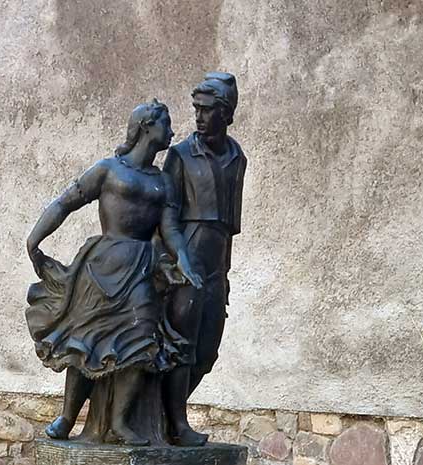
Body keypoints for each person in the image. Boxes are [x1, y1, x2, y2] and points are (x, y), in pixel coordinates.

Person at [25, 99, 202, 445]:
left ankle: (120, 422)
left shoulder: (164, 182)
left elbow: (170, 230)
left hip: (140, 267)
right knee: (83, 339)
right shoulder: (108, 169)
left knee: (142, 338)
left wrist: (184, 259)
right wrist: (35, 238)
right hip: (102, 263)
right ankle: (66, 418)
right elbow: (65, 202)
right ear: (147, 127)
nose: (171, 132)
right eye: (166, 124)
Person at [162, 73, 247, 446]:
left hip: (216, 266)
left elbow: (228, 228)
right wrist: (178, 260)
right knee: (181, 345)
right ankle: (177, 424)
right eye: (196, 108)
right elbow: (167, 215)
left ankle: (165, 414)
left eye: (207, 110)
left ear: (225, 113)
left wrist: (224, 274)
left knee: (207, 352)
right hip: (188, 259)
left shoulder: (237, 159)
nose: (198, 116)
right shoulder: (180, 155)